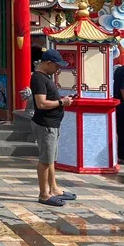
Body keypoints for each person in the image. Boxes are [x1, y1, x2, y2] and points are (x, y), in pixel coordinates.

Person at [30, 50, 75, 207]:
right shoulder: (38, 78)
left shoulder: (45, 77)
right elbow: (41, 103)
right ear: (48, 63)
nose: (57, 69)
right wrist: (62, 102)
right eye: (56, 66)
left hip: (52, 124)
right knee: (45, 160)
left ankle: (54, 189)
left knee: (50, 159)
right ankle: (44, 194)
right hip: (45, 125)